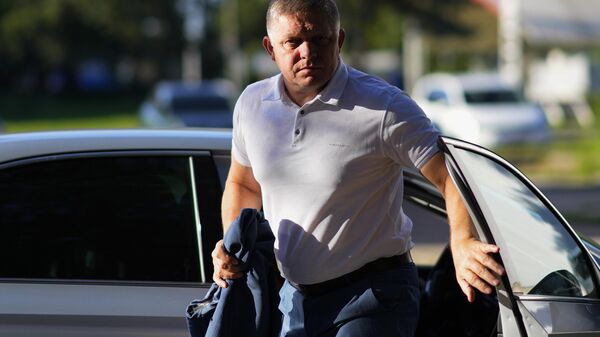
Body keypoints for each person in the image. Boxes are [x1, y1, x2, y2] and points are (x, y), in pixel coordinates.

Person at [212, 0, 505, 336]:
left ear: (339, 40)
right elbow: (244, 185)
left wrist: (463, 240)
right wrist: (233, 244)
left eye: (320, 40)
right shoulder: (252, 104)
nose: (307, 52)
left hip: (373, 295)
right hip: (293, 298)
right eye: (293, 42)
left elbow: (450, 176)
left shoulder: (385, 107)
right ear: (270, 47)